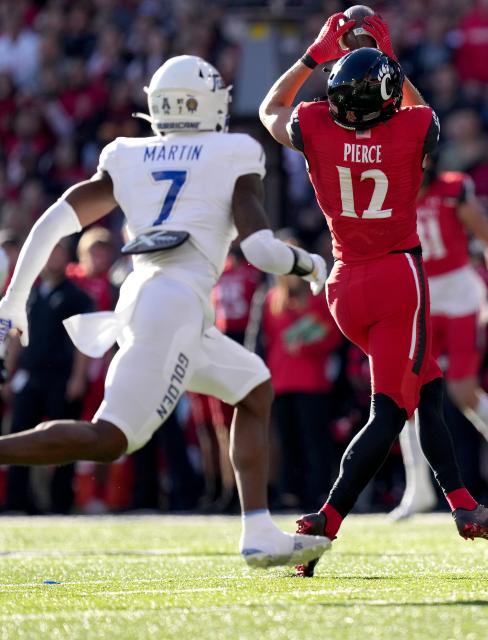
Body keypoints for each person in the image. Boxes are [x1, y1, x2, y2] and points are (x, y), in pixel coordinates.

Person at [0, 55, 330, 568]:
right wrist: (310, 264)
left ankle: (259, 531)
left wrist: (13, 297)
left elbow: (52, 223)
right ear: (210, 101)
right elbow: (262, 251)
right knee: (111, 439)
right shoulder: (233, 150)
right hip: (170, 304)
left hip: (163, 299)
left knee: (253, 387)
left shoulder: (128, 154)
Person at [258, 14, 488, 577]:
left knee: (429, 387)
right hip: (398, 280)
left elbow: (268, 110)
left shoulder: (317, 126)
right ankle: (324, 521)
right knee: (390, 413)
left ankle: (462, 504)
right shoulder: (409, 128)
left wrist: (314, 55)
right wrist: (387, 54)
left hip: (344, 283)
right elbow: (425, 115)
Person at [390, 160, 488, 520]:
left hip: (461, 294)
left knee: (462, 391)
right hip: (420, 296)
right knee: (407, 394)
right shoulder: (389, 192)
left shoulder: (453, 189)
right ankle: (417, 484)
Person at [2, 239, 91, 513]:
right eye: (49, 252)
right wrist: (8, 372)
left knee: (64, 439)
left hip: (61, 378)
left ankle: (60, 501)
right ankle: (18, 500)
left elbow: (83, 342)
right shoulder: (31, 294)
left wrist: (78, 377)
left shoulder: (77, 296)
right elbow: (17, 335)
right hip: (31, 377)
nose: (54, 258)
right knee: (20, 435)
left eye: (59, 252)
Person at [261, 248, 342, 510]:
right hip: (282, 381)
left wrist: (306, 347)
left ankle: (318, 492)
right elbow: (268, 341)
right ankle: (290, 492)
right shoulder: (271, 300)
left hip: (312, 381)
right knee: (287, 441)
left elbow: (332, 337)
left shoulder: (318, 299)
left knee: (314, 441)